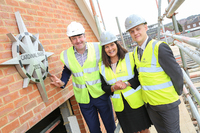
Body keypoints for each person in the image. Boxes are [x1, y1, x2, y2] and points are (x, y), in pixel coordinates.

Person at [50, 21, 116, 133]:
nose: (78, 41)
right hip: (84, 99)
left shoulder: (98, 48)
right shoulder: (66, 55)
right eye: (74, 38)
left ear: (85, 36)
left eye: (80, 37)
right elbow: (67, 69)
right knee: (94, 130)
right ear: (70, 40)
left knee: (110, 127)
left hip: (101, 94)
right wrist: (62, 82)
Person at [125, 14, 183, 133]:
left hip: (167, 103)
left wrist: (178, 92)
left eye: (138, 29)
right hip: (151, 105)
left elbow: (176, 73)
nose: (135, 33)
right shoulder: (136, 52)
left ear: (145, 27)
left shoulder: (159, 47)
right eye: (132, 31)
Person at [98, 31, 152, 133]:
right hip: (120, 106)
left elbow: (139, 77)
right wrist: (114, 88)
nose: (110, 49)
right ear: (103, 50)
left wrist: (126, 84)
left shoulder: (130, 57)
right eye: (106, 47)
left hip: (136, 102)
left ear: (117, 44)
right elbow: (104, 86)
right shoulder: (101, 66)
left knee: (144, 129)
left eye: (112, 45)